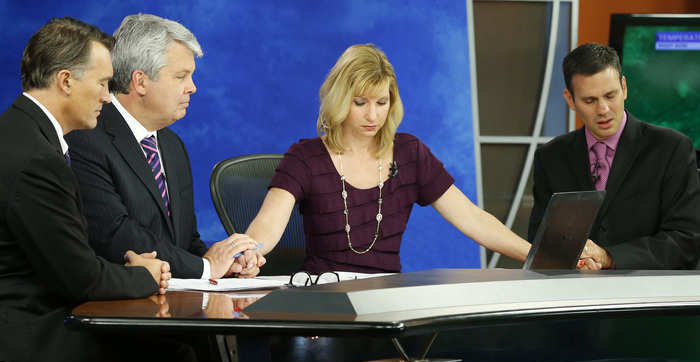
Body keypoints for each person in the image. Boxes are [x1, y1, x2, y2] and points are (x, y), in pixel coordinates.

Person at [0, 17, 218, 362]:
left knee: (174, 355)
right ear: (66, 81)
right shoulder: (38, 157)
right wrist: (145, 274)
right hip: (21, 329)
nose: (107, 93)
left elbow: (66, 258)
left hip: (28, 312)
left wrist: (134, 267)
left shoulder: (22, 134)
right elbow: (78, 278)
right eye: (102, 82)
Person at [245, 44, 530, 274]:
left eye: (382, 102)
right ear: (339, 100)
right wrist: (250, 252)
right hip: (323, 300)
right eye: (360, 103)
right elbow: (268, 223)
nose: (373, 116)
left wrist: (536, 255)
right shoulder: (305, 157)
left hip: (387, 301)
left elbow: (471, 218)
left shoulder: (410, 153)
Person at [67, 14, 262, 279]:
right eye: (181, 76)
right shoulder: (86, 137)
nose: (192, 88)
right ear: (141, 81)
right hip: (118, 305)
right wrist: (205, 268)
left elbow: (184, 241)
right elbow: (114, 235)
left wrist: (225, 261)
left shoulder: (172, 146)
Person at [529, 43, 700, 270]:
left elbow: (686, 241)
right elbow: (541, 242)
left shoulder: (672, 149)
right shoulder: (551, 157)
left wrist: (608, 257)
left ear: (624, 87)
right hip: (575, 294)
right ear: (570, 100)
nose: (603, 110)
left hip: (650, 296)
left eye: (610, 96)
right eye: (590, 101)